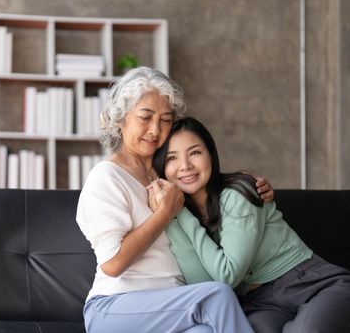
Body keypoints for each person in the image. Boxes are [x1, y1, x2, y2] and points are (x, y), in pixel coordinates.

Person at [76, 67, 272, 333]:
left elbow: (209, 185)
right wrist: (164, 214)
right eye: (145, 117)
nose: (155, 130)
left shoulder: (168, 175)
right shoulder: (106, 177)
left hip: (173, 307)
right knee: (217, 296)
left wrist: (249, 186)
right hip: (114, 307)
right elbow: (112, 264)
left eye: (166, 120)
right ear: (120, 119)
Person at [150, 116, 350, 332]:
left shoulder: (238, 194)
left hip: (311, 284)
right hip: (261, 303)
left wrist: (180, 212)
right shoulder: (183, 216)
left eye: (195, 152)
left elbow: (227, 276)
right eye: (172, 158)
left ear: (211, 154)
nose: (185, 166)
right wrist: (169, 216)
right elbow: (205, 286)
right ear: (162, 168)